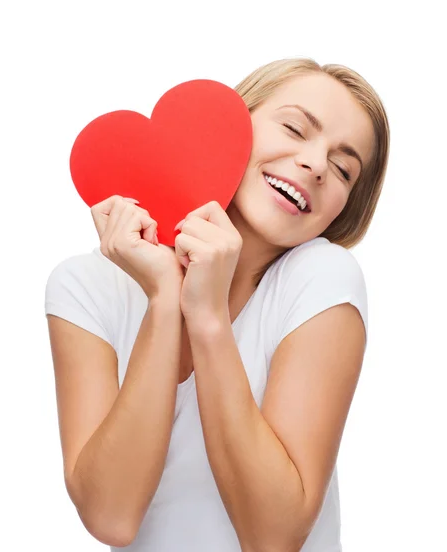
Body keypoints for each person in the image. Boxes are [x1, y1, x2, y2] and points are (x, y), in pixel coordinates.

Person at [44, 57, 390, 551]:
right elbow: (111, 517)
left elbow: (274, 536)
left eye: (342, 168)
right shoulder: (84, 286)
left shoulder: (322, 278)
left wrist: (208, 319)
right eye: (294, 128)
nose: (315, 165)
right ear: (231, 123)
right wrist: (166, 299)